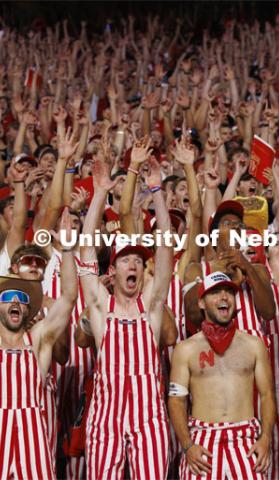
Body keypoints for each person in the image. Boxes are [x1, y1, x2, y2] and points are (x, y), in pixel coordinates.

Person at [80, 140, 173, 479]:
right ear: (113, 271)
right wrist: (100, 192)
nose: (133, 264)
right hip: (105, 419)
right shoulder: (100, 310)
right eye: (126, 260)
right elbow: (86, 250)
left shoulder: (151, 306)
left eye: (138, 259)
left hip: (148, 418)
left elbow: (165, 243)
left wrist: (158, 190)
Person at [168, 271, 276, 479]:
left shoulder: (254, 345)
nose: (224, 297)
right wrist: (188, 446)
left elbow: (267, 396)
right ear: (201, 303)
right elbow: (176, 401)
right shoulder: (186, 349)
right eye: (215, 292)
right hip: (203, 443)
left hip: (245, 442)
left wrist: (265, 439)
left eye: (229, 292)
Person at [0, 210, 78, 478]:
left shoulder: (38, 336)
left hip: (34, 421)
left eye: (21, 298)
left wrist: (67, 248)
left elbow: (68, 297)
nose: (15, 302)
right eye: (8, 296)